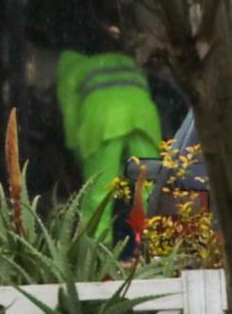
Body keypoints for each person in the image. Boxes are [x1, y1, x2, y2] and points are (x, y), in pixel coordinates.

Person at [56, 49, 163, 241]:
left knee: (99, 196)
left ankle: (98, 257)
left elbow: (70, 113)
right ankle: (156, 251)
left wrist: (76, 150)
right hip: (144, 117)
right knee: (150, 190)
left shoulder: (70, 67)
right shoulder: (126, 60)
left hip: (103, 122)